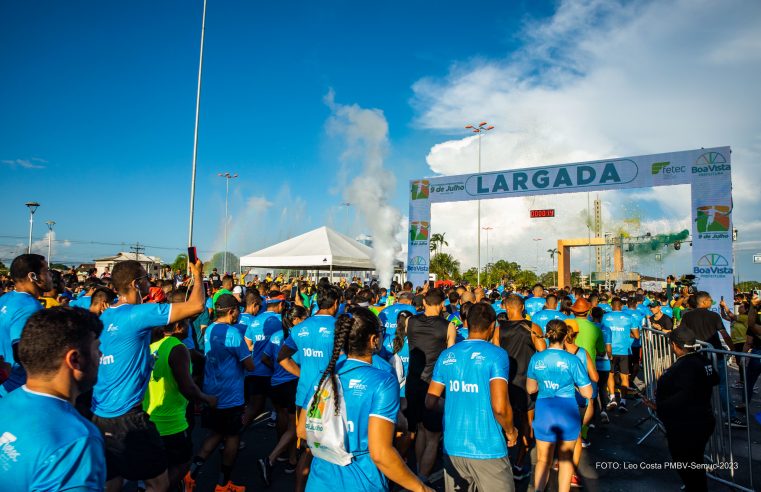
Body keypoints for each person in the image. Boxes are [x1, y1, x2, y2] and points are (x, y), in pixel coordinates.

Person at [91, 259, 205, 492]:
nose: (149, 282)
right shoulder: (138, 314)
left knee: (112, 480)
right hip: (128, 417)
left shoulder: (104, 316)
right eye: (145, 278)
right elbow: (196, 305)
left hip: (99, 414)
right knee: (157, 483)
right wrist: (198, 273)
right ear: (136, 284)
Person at [297, 306, 432, 492]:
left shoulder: (324, 375)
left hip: (319, 481)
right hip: (362, 481)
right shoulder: (383, 380)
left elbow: (302, 430)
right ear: (373, 339)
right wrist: (421, 488)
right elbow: (380, 453)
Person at [0, 307, 106, 490]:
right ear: (75, 360)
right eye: (97, 348)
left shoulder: (5, 403)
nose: (101, 356)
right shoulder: (76, 442)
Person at [427, 303, 518, 492]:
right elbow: (500, 407)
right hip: (488, 448)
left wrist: (457, 402)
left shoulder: (446, 355)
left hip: (452, 448)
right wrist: (510, 431)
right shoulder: (497, 355)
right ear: (493, 326)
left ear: (466, 323)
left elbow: (430, 401)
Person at [142, 293, 218, 491]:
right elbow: (187, 386)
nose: (188, 327)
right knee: (183, 462)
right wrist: (206, 398)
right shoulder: (177, 348)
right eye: (185, 323)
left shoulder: (152, 346)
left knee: (159, 464)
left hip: (150, 415)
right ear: (177, 327)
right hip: (171, 421)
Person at [187, 294, 254, 492]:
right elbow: (249, 364)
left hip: (212, 391)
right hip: (230, 395)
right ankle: (223, 484)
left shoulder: (210, 329)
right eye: (237, 311)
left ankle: (190, 474)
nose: (239, 315)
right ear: (232, 311)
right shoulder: (232, 333)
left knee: (215, 434)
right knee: (233, 437)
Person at [278, 285, 340, 492]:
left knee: (306, 445)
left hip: (304, 393)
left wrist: (301, 374)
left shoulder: (299, 328)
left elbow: (282, 357)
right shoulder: (339, 327)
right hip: (330, 396)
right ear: (336, 303)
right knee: (324, 448)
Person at [527, 320, 593, 492]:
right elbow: (587, 393)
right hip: (567, 411)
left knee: (543, 460)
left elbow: (530, 388)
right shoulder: (572, 360)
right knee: (565, 460)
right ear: (566, 336)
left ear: (548, 335)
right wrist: (574, 385)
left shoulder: (536, 358)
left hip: (544, 410)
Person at [650, 328, 718, 492]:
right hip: (703, 419)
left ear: (675, 345)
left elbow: (683, 396)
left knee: (686, 464)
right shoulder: (703, 360)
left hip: (686, 425)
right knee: (695, 463)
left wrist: (659, 405)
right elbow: (714, 378)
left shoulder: (681, 367)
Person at [492, 294, 545, 480]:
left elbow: (494, 355)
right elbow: (543, 353)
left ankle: (503, 460)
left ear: (505, 307)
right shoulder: (532, 327)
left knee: (503, 421)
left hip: (505, 382)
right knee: (526, 423)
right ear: (522, 306)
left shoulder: (498, 330)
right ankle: (520, 464)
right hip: (527, 383)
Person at [258, 304, 307, 485]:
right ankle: (271, 458)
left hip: (276, 383)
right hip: (291, 384)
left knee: (284, 420)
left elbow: (265, 358)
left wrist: (276, 371)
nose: (306, 322)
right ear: (295, 320)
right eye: (304, 319)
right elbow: (304, 364)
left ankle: (291, 458)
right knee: (295, 426)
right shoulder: (299, 338)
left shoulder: (276, 336)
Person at [405, 288, 451, 482]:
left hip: (413, 383)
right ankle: (422, 479)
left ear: (424, 302)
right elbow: (450, 357)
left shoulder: (410, 321)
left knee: (421, 429)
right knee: (433, 435)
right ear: (442, 305)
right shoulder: (448, 326)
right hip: (434, 386)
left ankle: (418, 471)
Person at [680, 291, 744, 427]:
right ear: (703, 302)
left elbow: (682, 334)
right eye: (709, 300)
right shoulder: (713, 316)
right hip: (715, 356)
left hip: (696, 356)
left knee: (698, 386)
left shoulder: (687, 316)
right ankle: (730, 417)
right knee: (722, 386)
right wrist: (733, 350)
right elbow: (724, 334)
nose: (711, 302)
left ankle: (698, 415)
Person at [0, 254, 52, 396]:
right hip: (18, 389)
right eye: (46, 271)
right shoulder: (30, 306)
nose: (50, 276)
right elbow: (22, 353)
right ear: (33, 276)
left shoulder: (5, 298)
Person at [602, 297, 639, 413]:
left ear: (611, 306)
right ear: (622, 306)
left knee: (610, 374)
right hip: (624, 350)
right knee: (624, 376)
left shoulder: (605, 317)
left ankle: (612, 397)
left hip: (610, 350)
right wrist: (626, 335)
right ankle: (623, 401)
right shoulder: (629, 317)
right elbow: (637, 336)